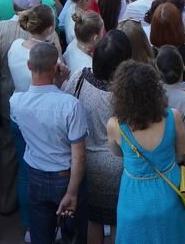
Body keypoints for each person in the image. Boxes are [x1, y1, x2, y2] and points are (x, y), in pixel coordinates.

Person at [106, 59, 185, 244]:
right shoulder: (173, 117)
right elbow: (182, 151)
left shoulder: (115, 125)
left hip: (134, 200)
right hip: (171, 193)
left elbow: (117, 152)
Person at [10, 41, 88, 244]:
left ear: (29, 66)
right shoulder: (70, 105)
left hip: (35, 175)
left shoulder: (16, 102)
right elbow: (78, 154)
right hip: (65, 178)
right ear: (56, 67)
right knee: (75, 235)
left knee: (41, 235)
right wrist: (72, 192)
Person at [63, 30, 129, 244]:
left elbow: (67, 106)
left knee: (93, 220)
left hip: (86, 162)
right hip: (121, 165)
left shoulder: (80, 78)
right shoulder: (128, 90)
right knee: (120, 221)